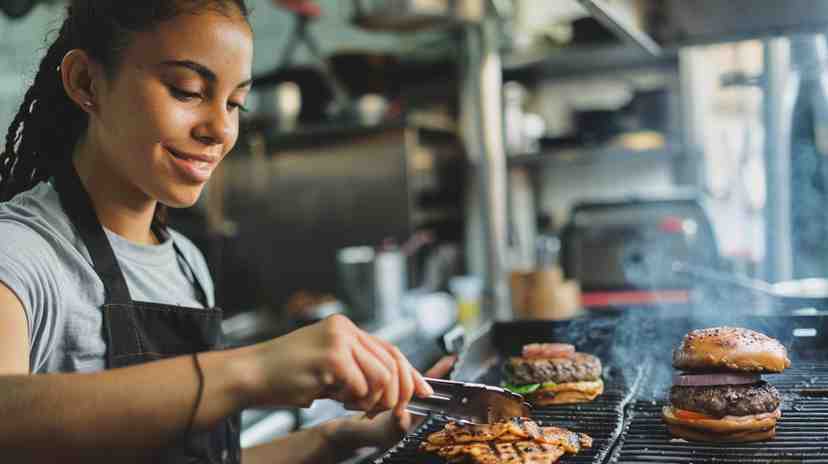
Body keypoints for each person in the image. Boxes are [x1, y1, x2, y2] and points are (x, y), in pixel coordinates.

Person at [0, 1, 453, 462]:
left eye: (235, 103)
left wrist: (336, 438)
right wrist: (252, 370)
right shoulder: (20, 254)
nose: (220, 128)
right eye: (187, 90)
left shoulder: (186, 263)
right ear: (86, 81)